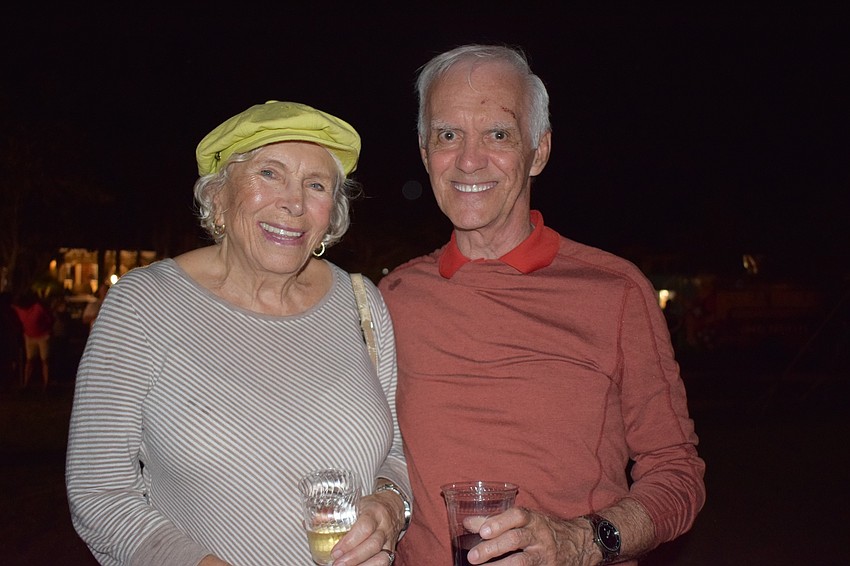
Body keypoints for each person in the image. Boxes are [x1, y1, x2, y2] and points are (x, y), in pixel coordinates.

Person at [378, 45, 706, 565]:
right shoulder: (391, 299)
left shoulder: (614, 291)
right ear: (424, 152)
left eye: (498, 134)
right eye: (447, 135)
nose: (468, 159)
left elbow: (677, 473)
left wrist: (581, 541)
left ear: (539, 150)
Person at [66, 101, 410, 566]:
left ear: (331, 214)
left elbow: (396, 452)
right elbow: (99, 492)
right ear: (219, 197)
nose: (293, 202)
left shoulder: (360, 303)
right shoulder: (144, 305)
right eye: (269, 173)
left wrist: (389, 506)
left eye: (315, 185)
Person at [12, 289, 53, 391]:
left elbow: (49, 319)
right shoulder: (18, 308)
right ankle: (26, 384)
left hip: (42, 336)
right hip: (29, 336)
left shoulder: (38, 308)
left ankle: (46, 384)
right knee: (29, 360)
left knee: (45, 360)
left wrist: (47, 330)